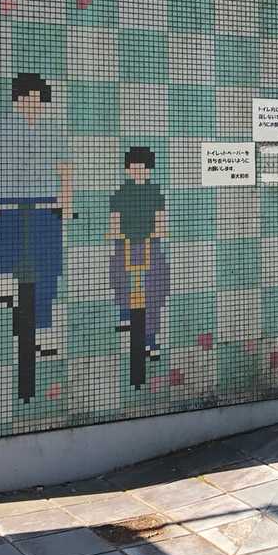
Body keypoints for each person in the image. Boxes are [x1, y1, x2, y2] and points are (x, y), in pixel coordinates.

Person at [0, 73, 71, 402]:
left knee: (49, 265)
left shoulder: (53, 130)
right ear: (17, 100)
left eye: (38, 99)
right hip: (9, 202)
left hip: (45, 204)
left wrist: (66, 202)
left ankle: (42, 327)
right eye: (27, 98)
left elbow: (64, 169)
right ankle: (4, 280)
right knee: (7, 245)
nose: (33, 105)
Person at [109, 146, 170, 380]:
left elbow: (161, 220)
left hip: (149, 244)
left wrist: (158, 232)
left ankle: (150, 339)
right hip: (126, 243)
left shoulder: (154, 192)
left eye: (142, 167)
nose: (138, 171)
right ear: (128, 169)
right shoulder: (122, 192)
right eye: (134, 167)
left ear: (149, 170)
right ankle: (125, 310)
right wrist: (116, 233)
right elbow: (114, 220)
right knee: (118, 272)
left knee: (156, 287)